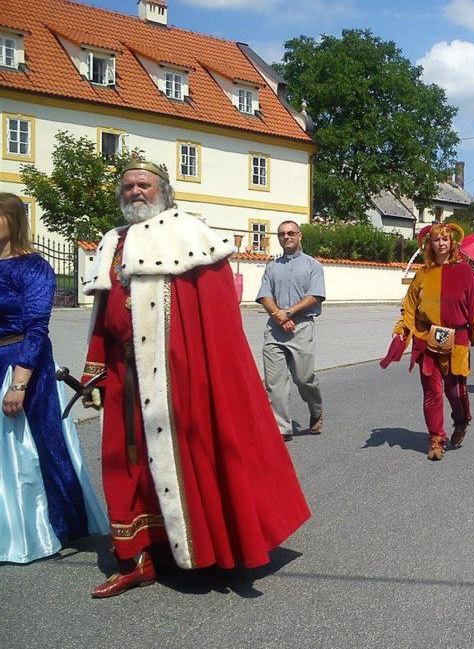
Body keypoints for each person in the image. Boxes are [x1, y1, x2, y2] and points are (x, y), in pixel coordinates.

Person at [80, 161, 310, 597]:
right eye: (127, 186)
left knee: (191, 460)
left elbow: (216, 319)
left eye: (143, 184)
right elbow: (100, 317)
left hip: (179, 378)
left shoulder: (191, 234)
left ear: (162, 190)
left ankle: (208, 549)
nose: (134, 192)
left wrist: (210, 377)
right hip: (125, 377)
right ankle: (139, 558)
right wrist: (95, 371)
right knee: (126, 465)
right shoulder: (113, 242)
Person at [0, 193, 107, 564]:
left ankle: (53, 525)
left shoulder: (33, 267)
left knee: (37, 445)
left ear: (12, 220)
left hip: (23, 361)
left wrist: (19, 381)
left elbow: (35, 326)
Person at [386, 223, 474, 461]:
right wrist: (401, 329)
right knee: (432, 392)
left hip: (457, 340)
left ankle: (461, 421)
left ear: (452, 242)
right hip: (427, 339)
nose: (441, 243)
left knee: (455, 391)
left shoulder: (465, 272)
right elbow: (409, 306)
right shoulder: (422, 274)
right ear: (430, 244)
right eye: (436, 240)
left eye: (445, 239)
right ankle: (435, 438)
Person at [257, 220, 326, 441]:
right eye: (281, 234)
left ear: (300, 236)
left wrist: (288, 313)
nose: (286, 237)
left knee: (304, 379)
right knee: (274, 382)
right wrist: (279, 315)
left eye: (290, 233)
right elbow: (265, 296)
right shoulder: (272, 267)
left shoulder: (313, 266)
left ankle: (316, 411)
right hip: (275, 330)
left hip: (302, 327)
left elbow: (314, 296)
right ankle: (282, 428)